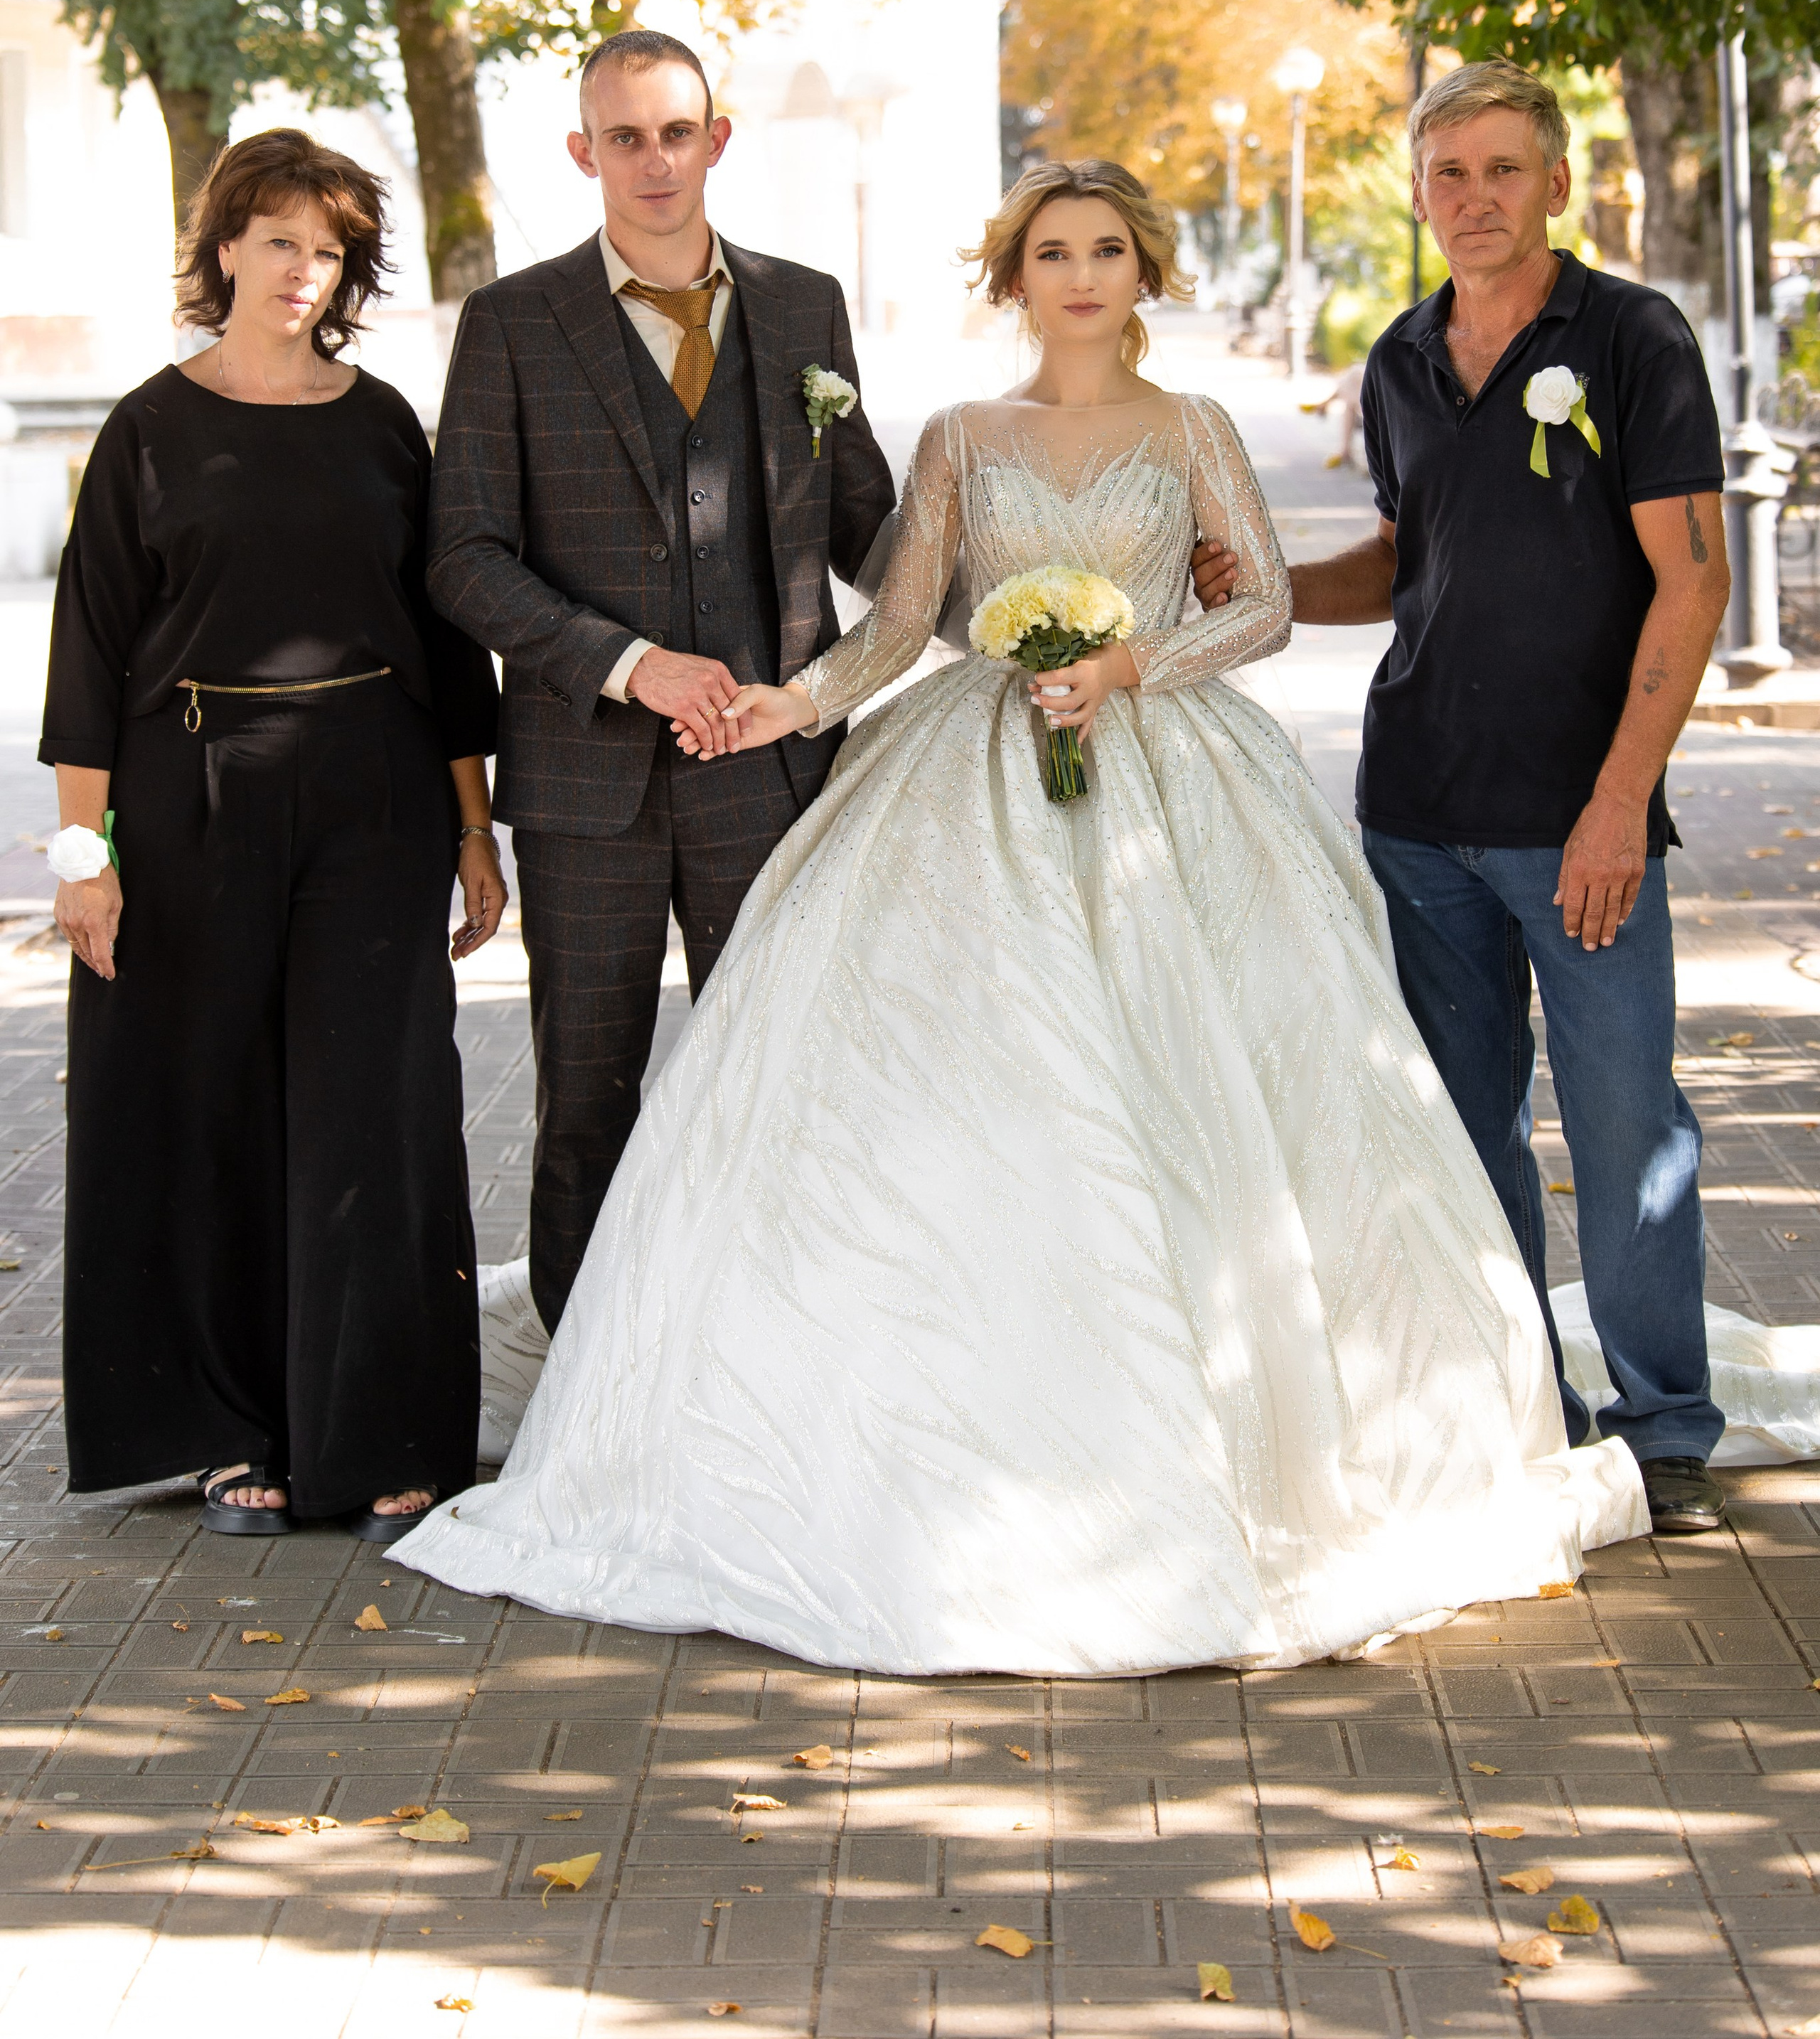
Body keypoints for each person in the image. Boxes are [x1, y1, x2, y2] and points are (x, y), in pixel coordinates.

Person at [395, 157, 1647, 1675]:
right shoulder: (957, 437)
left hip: (1169, 774)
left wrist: (1128, 667)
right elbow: (907, 620)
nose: (1076, 275)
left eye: (1103, 249)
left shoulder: (1190, 428)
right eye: (1048, 251)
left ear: (1142, 271)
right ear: (1014, 275)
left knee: (1209, 1081)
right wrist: (787, 699)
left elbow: (1249, 608)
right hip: (970, 774)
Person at [1192, 60, 1733, 1538]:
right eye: (1448, 176)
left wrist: (1622, 802)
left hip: (1580, 816)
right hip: (1416, 809)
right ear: (1417, 192)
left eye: (1503, 170)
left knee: (1626, 1126)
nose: (1474, 199)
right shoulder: (1396, 354)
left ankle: (1664, 1430)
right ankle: (1524, 1406)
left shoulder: (1628, 338)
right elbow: (1403, 557)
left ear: (1554, 182)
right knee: (1460, 1130)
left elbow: (1693, 581)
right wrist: (1266, 590)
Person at [42, 129, 504, 1542]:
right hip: (189, 799)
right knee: (213, 1106)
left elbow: (443, 645)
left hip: (375, 796)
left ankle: (387, 1432)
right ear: (227, 244)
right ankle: (237, 1427)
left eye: (330, 247)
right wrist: (84, 859)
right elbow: (87, 657)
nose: (304, 269)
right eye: (279, 238)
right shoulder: (146, 429)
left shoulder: (382, 424)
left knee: (381, 1106)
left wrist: (477, 838)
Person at [425, 28, 896, 1335]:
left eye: (674, 131)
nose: (651, 159)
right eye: (621, 136)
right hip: (589, 795)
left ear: (716, 140)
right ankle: (589, 1386)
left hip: (772, 773)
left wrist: (1029, 584)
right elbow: (463, 557)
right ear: (584, 152)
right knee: (587, 1095)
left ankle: (781, 1351)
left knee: (780, 1078)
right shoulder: (513, 323)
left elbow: (868, 524)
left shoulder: (805, 307)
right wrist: (628, 665)